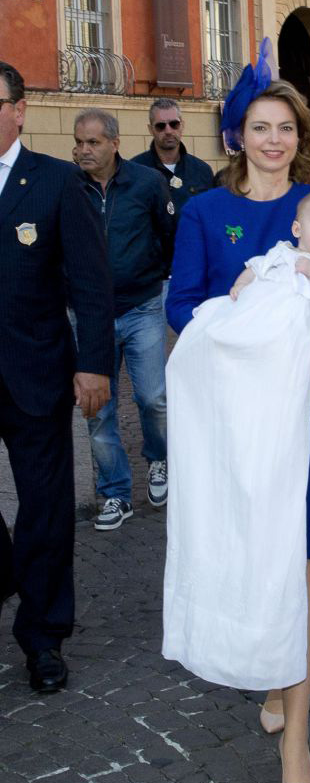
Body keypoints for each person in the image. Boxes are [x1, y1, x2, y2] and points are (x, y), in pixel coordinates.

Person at [165, 55, 310, 783]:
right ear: (236, 135)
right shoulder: (201, 212)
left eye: (287, 128)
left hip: (302, 406)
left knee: (299, 564)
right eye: (261, 127)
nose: (274, 140)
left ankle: (296, 741)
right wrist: (238, 323)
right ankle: (268, 669)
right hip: (228, 413)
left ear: (301, 136)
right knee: (248, 547)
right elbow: (182, 304)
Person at [0, 62, 113, 693]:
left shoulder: (56, 183)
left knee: (45, 509)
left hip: (35, 370)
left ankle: (43, 637)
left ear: (19, 109)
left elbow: (93, 285)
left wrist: (93, 362)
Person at [74, 108, 175, 527]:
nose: (83, 150)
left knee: (152, 397)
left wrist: (157, 277)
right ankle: (115, 492)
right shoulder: (67, 186)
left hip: (142, 306)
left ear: (115, 143)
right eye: (78, 142)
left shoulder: (147, 183)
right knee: (98, 408)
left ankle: (159, 458)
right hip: (88, 314)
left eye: (93, 142)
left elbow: (169, 236)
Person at [131, 99, 214, 222]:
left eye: (174, 124)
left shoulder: (202, 170)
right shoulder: (134, 170)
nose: (168, 131)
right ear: (150, 129)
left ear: (182, 126)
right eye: (160, 126)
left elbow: (210, 217)